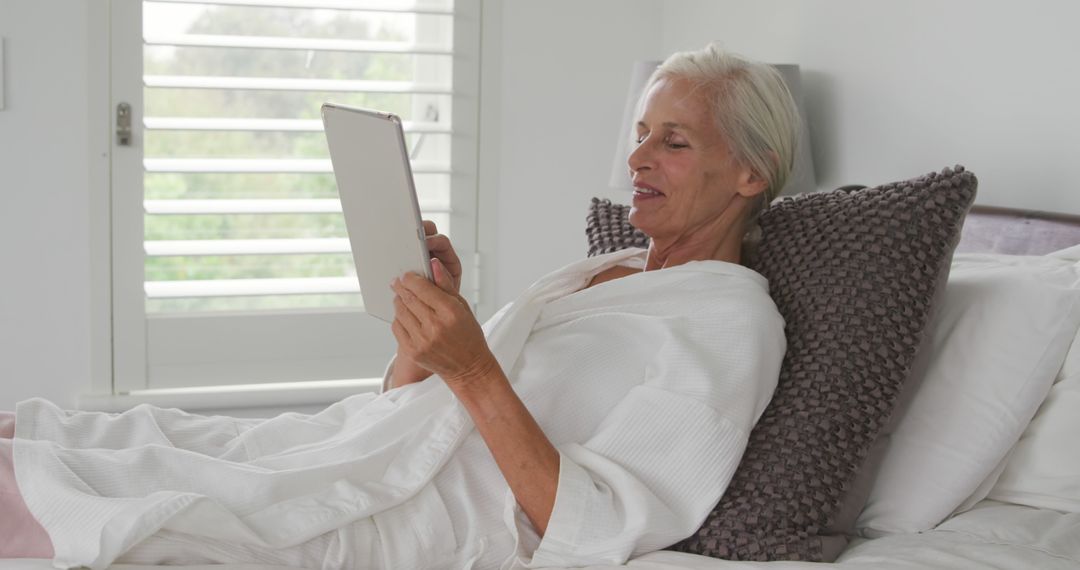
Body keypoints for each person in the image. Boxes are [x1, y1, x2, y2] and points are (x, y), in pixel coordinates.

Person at [1, 44, 796, 569]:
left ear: (750, 175)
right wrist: (431, 328)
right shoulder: (604, 271)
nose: (636, 159)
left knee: (129, 508)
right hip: (366, 448)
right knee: (112, 440)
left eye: (674, 142)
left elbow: (600, 525)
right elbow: (412, 411)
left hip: (430, 521)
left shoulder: (730, 324)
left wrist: (476, 367)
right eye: (640, 132)